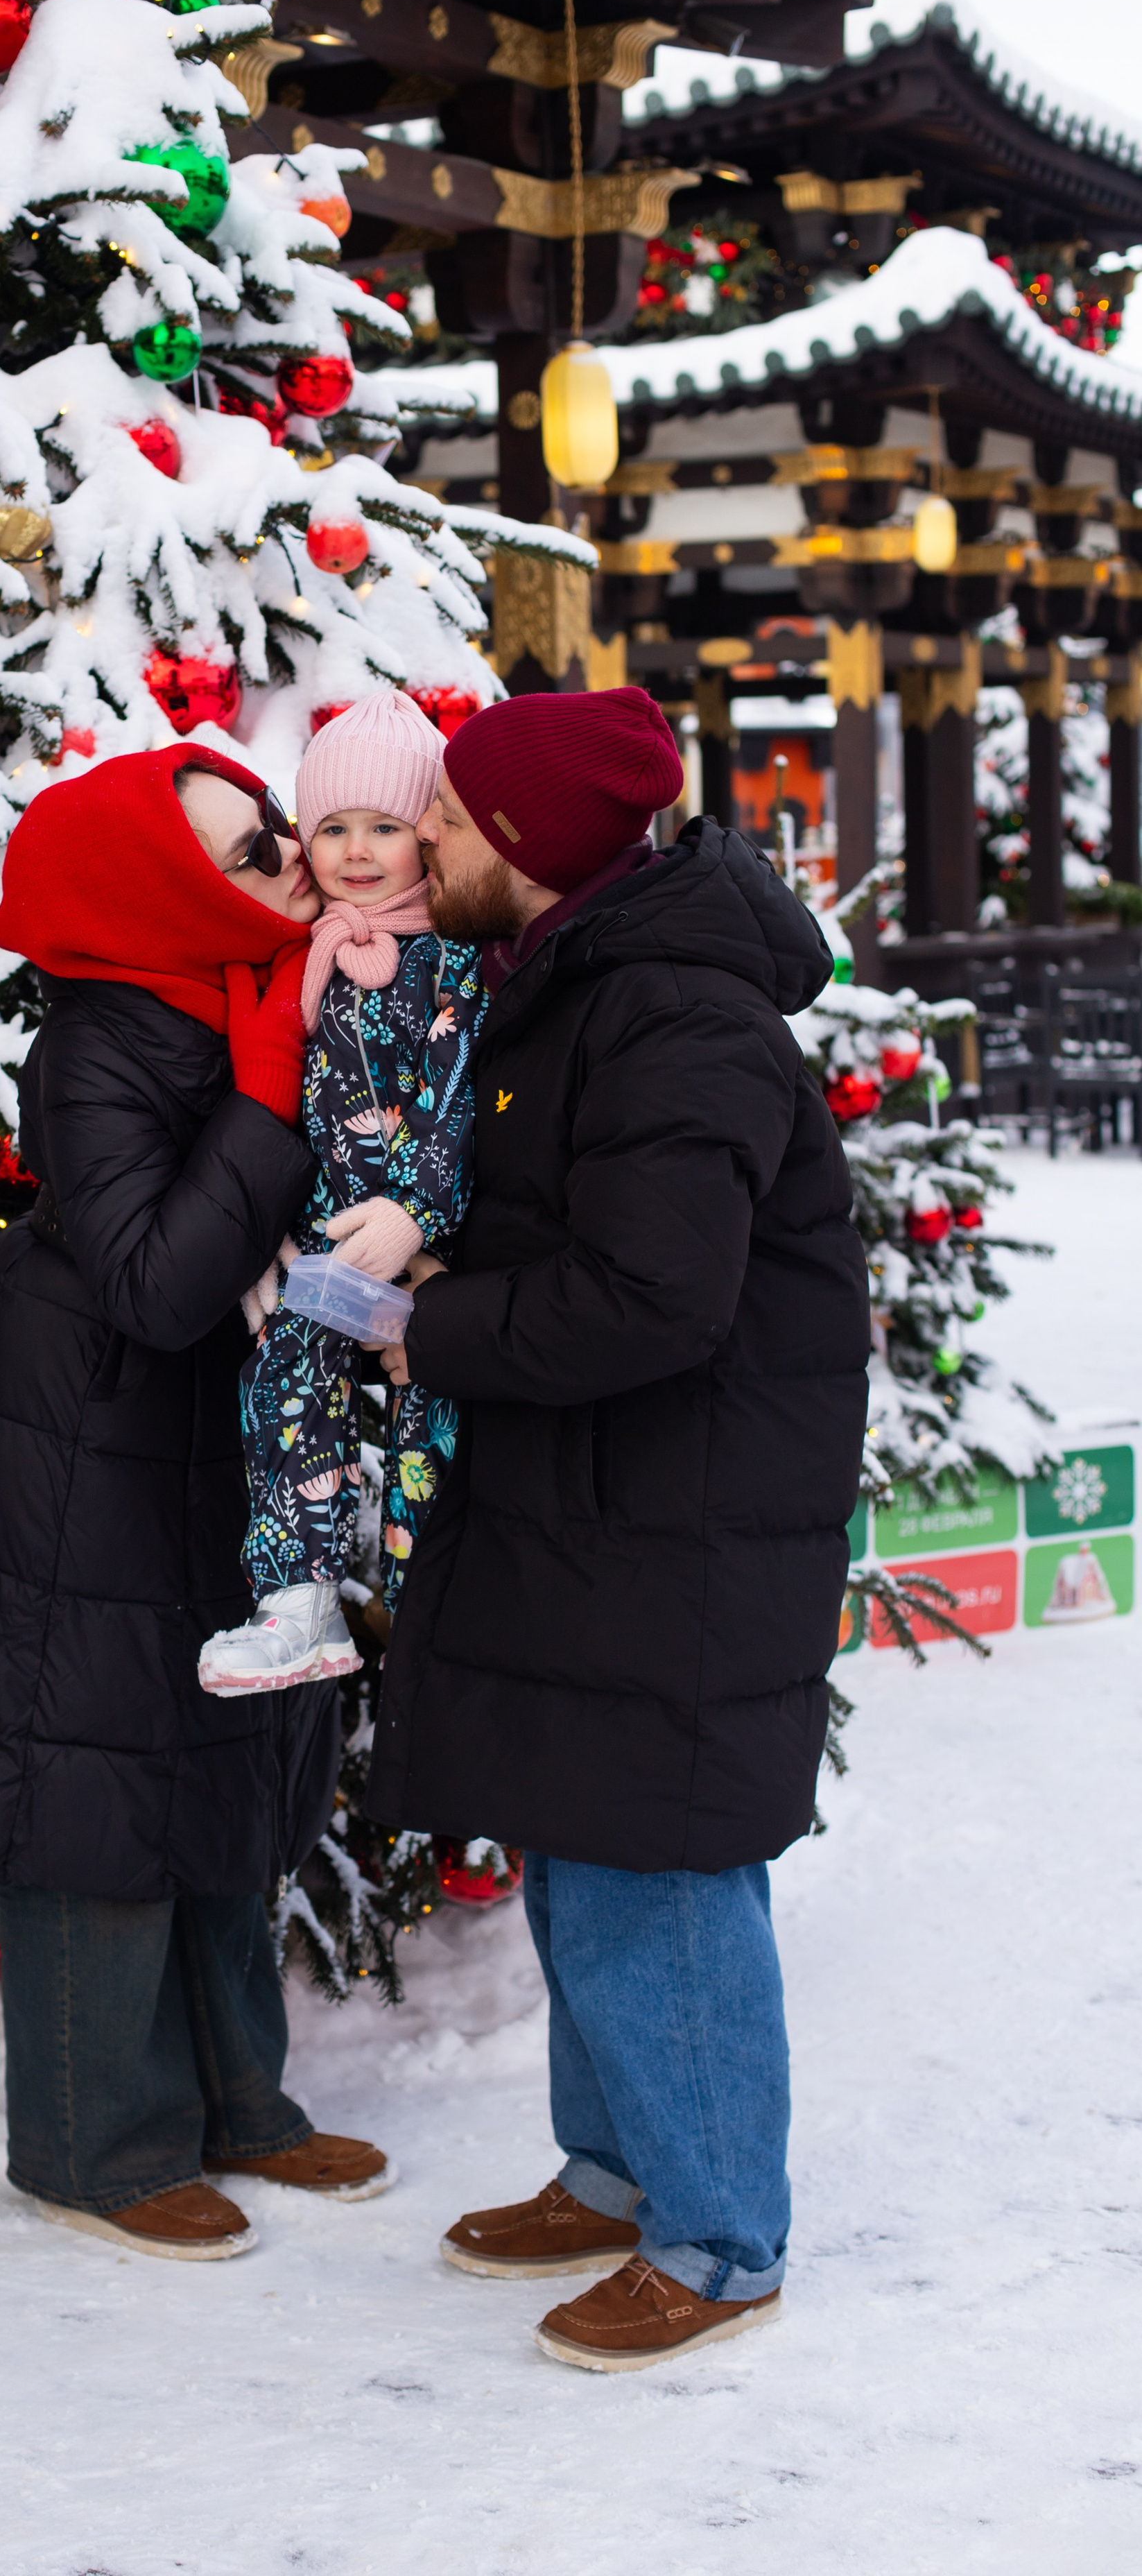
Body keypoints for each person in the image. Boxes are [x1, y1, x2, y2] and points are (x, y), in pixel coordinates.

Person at [365, 687, 870, 2372]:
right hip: (600, 1497)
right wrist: (456, 1288)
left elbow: (657, 1293)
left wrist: (428, 1329)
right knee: (580, 1835)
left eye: (442, 815)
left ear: (523, 845)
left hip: (685, 1512)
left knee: (659, 1858)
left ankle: (718, 2236)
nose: (416, 838)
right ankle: (611, 2169)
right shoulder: (581, 981)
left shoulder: (671, 1015)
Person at [0, 745, 390, 2262]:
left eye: (269, 821)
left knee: (221, 1755)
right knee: (96, 1779)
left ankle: (237, 2106)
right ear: (152, 885)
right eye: (238, 844)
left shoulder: (252, 991)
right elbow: (151, 1282)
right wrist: (270, 1102)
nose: (284, 849)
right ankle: (94, 2139)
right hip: (88, 1446)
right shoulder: (101, 1040)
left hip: (205, 1440)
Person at [198, 692, 485, 1693]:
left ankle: (431, 1614)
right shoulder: (309, 953)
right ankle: (301, 1598)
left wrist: (417, 1210)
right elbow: (281, 1106)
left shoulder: (450, 956)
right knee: (284, 1386)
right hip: (327, 1248)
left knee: (427, 1422)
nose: (356, 851)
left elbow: (456, 1099)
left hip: (424, 1246)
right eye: (332, 828)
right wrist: (266, 1232)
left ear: (428, 836)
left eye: (385, 827)